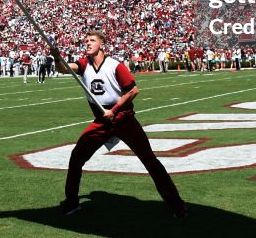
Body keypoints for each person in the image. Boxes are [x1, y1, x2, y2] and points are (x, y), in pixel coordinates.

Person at [56, 30, 186, 218]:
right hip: (102, 121)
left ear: (102, 44)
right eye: (86, 41)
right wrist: (55, 56)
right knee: (77, 156)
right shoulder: (84, 64)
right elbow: (63, 69)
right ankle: (71, 202)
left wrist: (114, 110)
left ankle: (177, 205)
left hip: (123, 119)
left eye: (92, 40)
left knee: (149, 160)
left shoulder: (115, 65)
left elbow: (133, 91)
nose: (88, 43)